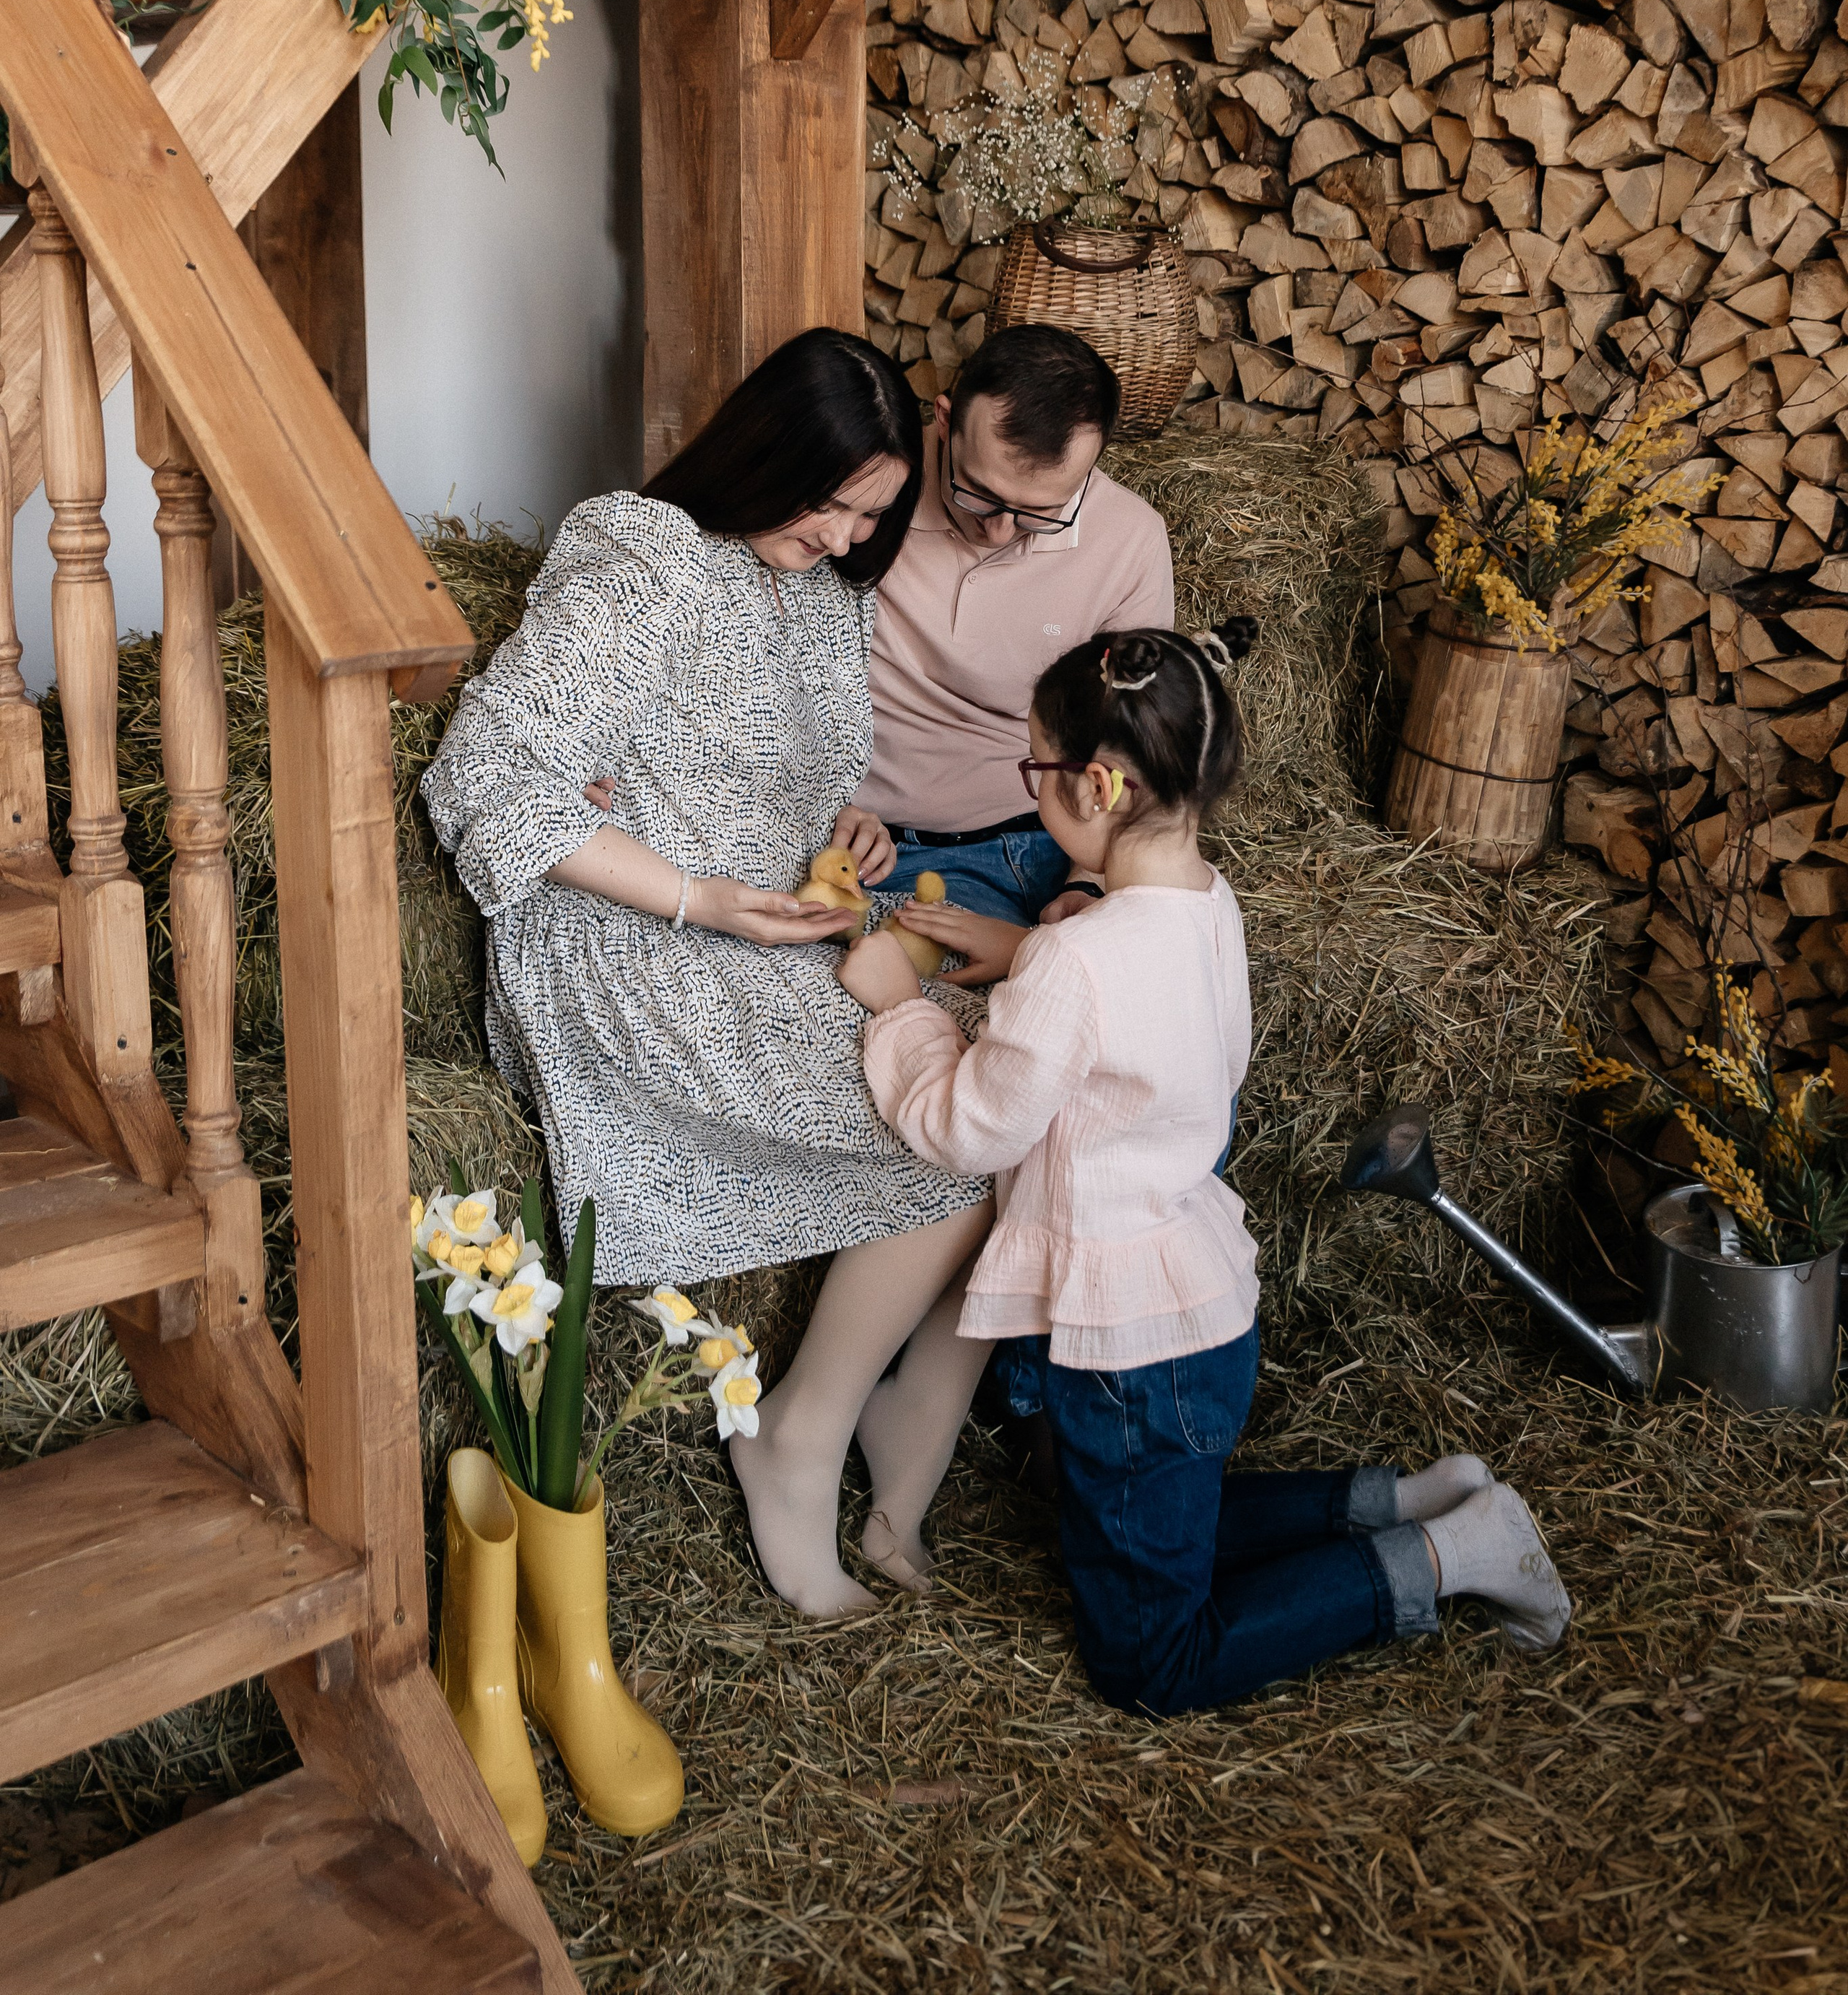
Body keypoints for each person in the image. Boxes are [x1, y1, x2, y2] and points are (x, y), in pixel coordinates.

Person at [839, 622, 1573, 1712]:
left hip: (1132, 1350)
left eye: (1035, 770)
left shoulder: (1077, 962)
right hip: (1197, 1305)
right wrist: (1022, 953)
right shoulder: (1203, 903)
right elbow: (1106, 1000)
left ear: (1096, 784)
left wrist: (901, 1013)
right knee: (1149, 1510)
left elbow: (969, 1129)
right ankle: (1406, 1499)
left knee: (1151, 1661)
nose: (1029, 787)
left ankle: (1451, 1555)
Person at [422, 327, 993, 1618]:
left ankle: (902, 1422)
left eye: (875, 514)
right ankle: (797, 1439)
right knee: (953, 1129)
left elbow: (767, 779)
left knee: (1011, 1084)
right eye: (835, 503)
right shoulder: (646, 560)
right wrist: (697, 894)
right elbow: (481, 778)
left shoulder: (826, 590)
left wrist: (847, 834)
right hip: (636, 947)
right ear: (764, 456)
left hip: (769, 923)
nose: (853, 538)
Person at [856, 323, 1174, 986]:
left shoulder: (1131, 537)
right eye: (977, 491)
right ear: (944, 421)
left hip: (1070, 841)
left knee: (1163, 1013)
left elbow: (1132, 737)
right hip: (903, 850)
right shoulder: (871, 493)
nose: (997, 529)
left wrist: (1090, 883)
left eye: (1039, 513)